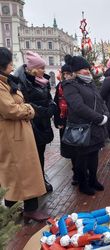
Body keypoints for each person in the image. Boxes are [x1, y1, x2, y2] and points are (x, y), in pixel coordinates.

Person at [0, 47, 49, 222]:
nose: (12, 65)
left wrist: (26, 109)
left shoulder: (6, 82)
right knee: (14, 172)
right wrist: (30, 109)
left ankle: (29, 209)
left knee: (27, 172)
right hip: (11, 136)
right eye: (9, 62)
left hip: (19, 133)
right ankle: (14, 210)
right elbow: (10, 110)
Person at [63, 55, 109, 195]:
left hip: (95, 127)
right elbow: (78, 107)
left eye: (88, 68)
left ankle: (93, 180)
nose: (87, 71)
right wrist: (99, 118)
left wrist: (106, 114)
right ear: (76, 71)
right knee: (82, 158)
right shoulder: (70, 85)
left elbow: (100, 101)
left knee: (94, 155)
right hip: (82, 128)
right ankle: (83, 183)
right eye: (84, 69)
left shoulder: (90, 83)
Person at [14, 51, 56, 193]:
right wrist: (44, 111)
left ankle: (41, 179)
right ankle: (32, 184)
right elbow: (24, 103)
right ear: (33, 68)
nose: (44, 71)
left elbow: (49, 98)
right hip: (31, 124)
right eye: (41, 68)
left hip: (42, 124)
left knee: (40, 153)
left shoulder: (42, 81)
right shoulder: (21, 82)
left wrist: (52, 106)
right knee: (31, 156)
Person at [53, 64, 78, 185]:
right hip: (65, 121)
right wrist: (58, 121)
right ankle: (76, 173)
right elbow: (56, 104)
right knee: (72, 149)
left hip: (79, 122)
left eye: (69, 73)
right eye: (65, 73)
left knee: (81, 148)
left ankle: (83, 172)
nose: (67, 76)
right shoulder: (60, 86)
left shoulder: (79, 85)